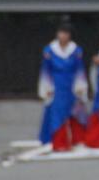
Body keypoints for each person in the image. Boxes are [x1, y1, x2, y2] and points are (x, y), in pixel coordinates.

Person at [37, 22, 88, 151]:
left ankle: (78, 140)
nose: (62, 36)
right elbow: (45, 70)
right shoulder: (49, 51)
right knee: (57, 113)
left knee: (75, 111)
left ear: (69, 35)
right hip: (56, 83)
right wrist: (46, 88)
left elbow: (79, 69)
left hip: (72, 83)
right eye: (61, 33)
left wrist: (80, 85)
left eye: (65, 33)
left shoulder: (76, 51)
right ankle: (59, 142)